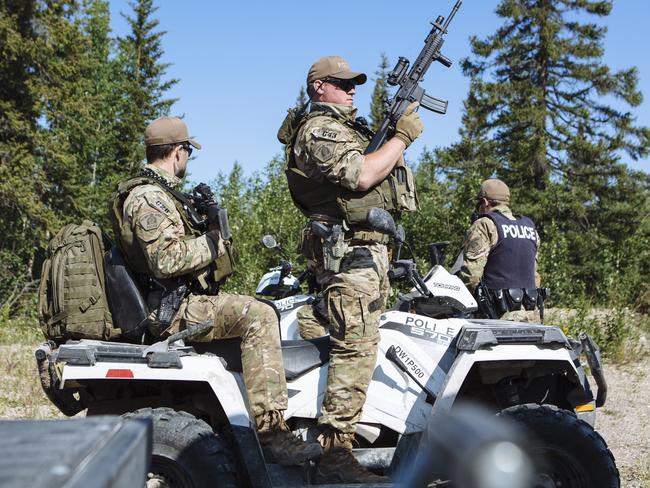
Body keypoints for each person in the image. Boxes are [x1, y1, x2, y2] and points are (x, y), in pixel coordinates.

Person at [110, 116, 321, 466]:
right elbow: (166, 260)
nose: (188, 158)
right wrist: (212, 241)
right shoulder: (148, 197)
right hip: (171, 309)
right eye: (188, 150)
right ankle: (272, 435)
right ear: (177, 151)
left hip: (176, 302)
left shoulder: (157, 193)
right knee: (259, 314)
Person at [277, 55, 423, 483]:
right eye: (342, 83)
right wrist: (401, 138)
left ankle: (331, 441)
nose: (352, 88)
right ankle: (334, 459)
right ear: (319, 87)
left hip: (366, 258)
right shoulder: (318, 129)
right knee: (354, 352)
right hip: (350, 258)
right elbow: (360, 177)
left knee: (357, 349)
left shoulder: (347, 129)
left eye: (355, 82)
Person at [458, 178, 542, 321]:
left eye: (478, 203)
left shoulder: (485, 224)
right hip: (531, 314)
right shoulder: (530, 227)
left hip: (499, 316)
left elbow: (471, 275)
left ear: (485, 202)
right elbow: (534, 275)